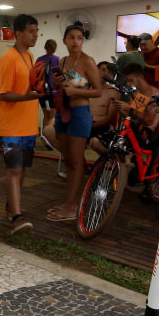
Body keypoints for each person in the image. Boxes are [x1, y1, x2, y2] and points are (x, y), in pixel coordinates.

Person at [47, 21, 103, 222]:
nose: (76, 41)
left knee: (76, 160)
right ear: (64, 40)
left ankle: (73, 205)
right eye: (72, 37)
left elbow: (98, 91)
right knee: (69, 159)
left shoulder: (88, 61)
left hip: (80, 112)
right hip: (63, 111)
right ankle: (69, 202)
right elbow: (61, 86)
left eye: (79, 38)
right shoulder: (62, 61)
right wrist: (57, 84)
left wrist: (76, 91)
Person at [0, 14, 41, 234]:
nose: (35, 35)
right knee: (14, 170)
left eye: (37, 30)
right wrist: (29, 97)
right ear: (18, 33)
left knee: (22, 170)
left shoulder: (31, 56)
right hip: (12, 126)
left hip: (29, 125)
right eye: (31, 30)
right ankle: (16, 215)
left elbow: (30, 87)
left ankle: (10, 206)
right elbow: (4, 94)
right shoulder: (8, 58)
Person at [43, 61, 120, 159]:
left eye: (109, 72)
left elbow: (110, 118)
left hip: (98, 128)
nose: (106, 74)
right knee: (48, 130)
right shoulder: (85, 86)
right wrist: (57, 81)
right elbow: (68, 86)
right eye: (103, 70)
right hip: (80, 123)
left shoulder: (113, 92)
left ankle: (77, 161)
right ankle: (77, 160)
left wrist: (91, 124)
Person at [113, 62, 159, 186]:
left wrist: (129, 109)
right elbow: (136, 117)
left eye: (131, 80)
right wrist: (123, 110)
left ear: (140, 77)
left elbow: (149, 122)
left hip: (148, 134)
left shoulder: (154, 94)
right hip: (137, 130)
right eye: (127, 81)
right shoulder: (137, 93)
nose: (129, 84)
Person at [35, 39, 59, 143]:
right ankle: (48, 137)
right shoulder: (58, 60)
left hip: (42, 92)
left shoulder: (39, 59)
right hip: (53, 93)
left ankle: (44, 134)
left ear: (45, 47)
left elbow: (35, 75)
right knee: (52, 116)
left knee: (46, 115)